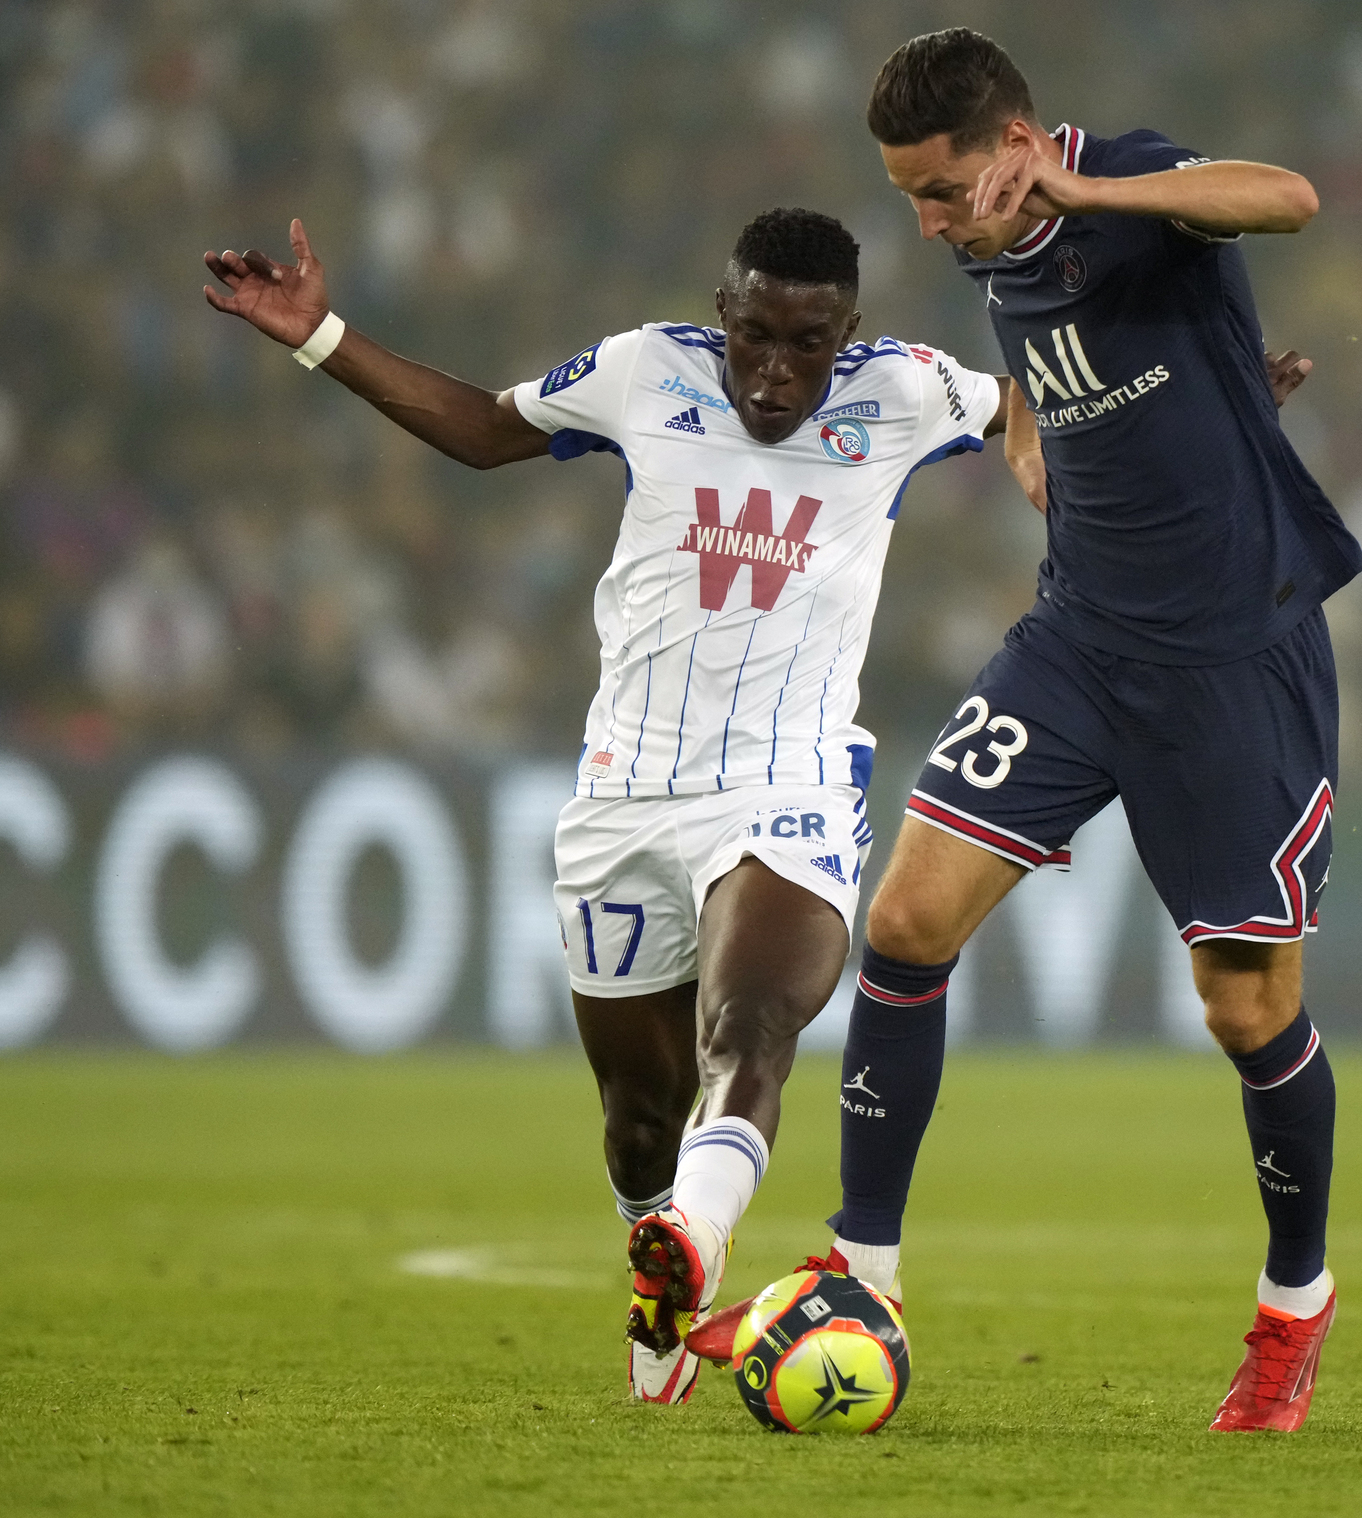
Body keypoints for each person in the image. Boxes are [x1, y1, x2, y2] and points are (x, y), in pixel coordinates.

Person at [203, 207, 1015, 1405]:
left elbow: (1046, 396)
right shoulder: (645, 371)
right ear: (719, 314)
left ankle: (693, 1232)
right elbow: (484, 431)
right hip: (623, 795)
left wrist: (1209, 398)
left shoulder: (906, 393)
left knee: (753, 1025)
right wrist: (314, 331)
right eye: (753, 339)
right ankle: (657, 1271)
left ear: (849, 333)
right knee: (640, 1117)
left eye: (808, 344)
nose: (776, 372)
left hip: (785, 779)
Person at [693, 29, 1360, 1434]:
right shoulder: (993, 253)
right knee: (909, 921)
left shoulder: (1123, 182)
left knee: (1249, 1010)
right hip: (1082, 642)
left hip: (1234, 663)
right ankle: (859, 1266)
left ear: (1016, 148)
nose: (928, 226)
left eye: (942, 192)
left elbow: (1287, 197)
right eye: (911, 198)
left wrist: (1100, 198)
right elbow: (1087, 376)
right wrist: (1034, 433)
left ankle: (1292, 1309)